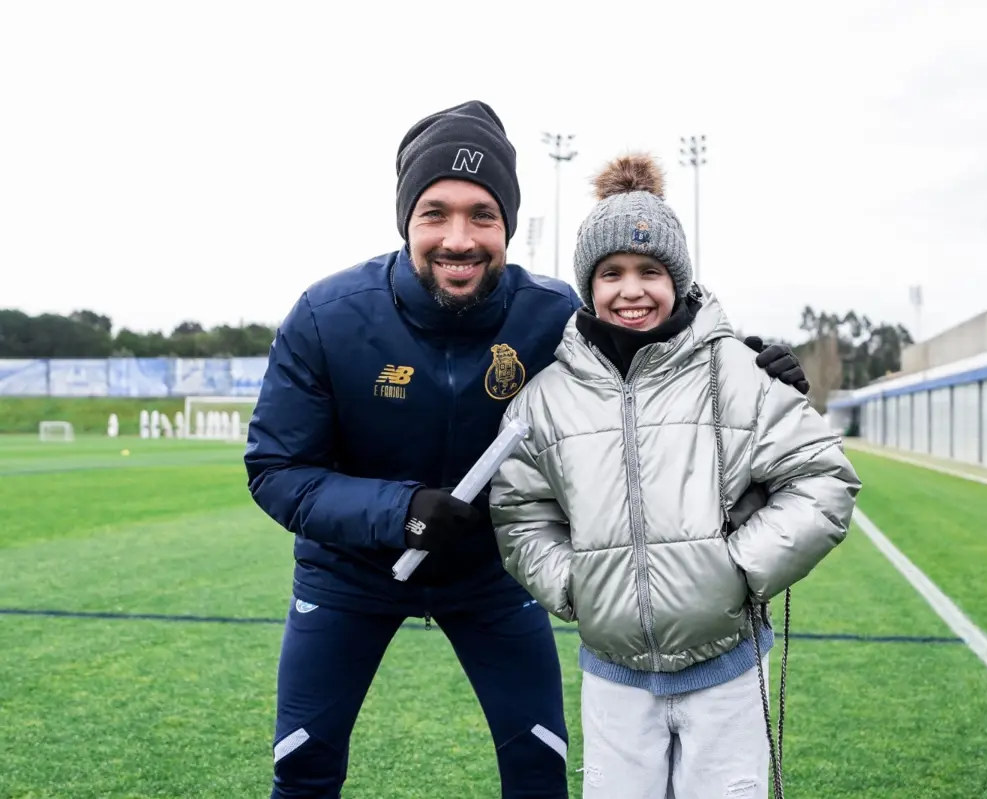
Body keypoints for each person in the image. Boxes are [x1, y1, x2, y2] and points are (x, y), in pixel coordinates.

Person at [244, 100, 812, 798]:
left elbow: (657, 344)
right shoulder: (327, 317)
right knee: (303, 765)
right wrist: (400, 510)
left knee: (539, 767)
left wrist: (752, 363)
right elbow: (276, 470)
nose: (460, 237)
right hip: (348, 576)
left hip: (490, 576)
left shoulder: (549, 316)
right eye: (436, 213)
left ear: (507, 224)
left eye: (483, 215)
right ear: (405, 221)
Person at [489, 153, 861, 799]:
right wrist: (575, 584)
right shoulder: (545, 396)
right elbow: (520, 510)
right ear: (588, 285)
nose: (631, 289)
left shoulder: (742, 374)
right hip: (612, 676)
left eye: (649, 270)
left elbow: (823, 479)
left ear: (678, 278)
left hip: (726, 669)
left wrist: (736, 568)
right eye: (612, 273)